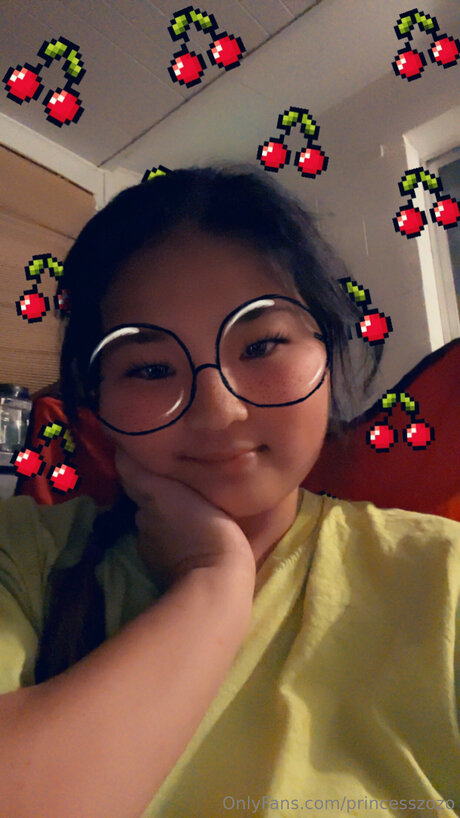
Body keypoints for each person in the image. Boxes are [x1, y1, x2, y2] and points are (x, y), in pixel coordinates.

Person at [0, 165, 458, 818]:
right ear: (96, 401)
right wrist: (212, 583)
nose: (219, 412)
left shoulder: (443, 574)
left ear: (328, 352)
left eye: (263, 344)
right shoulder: (23, 554)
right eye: (150, 368)